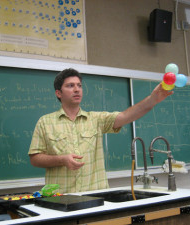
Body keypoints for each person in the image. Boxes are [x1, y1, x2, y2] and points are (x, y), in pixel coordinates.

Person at [28, 68, 173, 194]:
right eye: (70, 86)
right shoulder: (45, 122)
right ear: (59, 93)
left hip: (96, 195)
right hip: (60, 198)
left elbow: (125, 116)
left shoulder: (95, 119)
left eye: (79, 85)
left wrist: (153, 99)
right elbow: (35, 158)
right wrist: (61, 159)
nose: (77, 89)